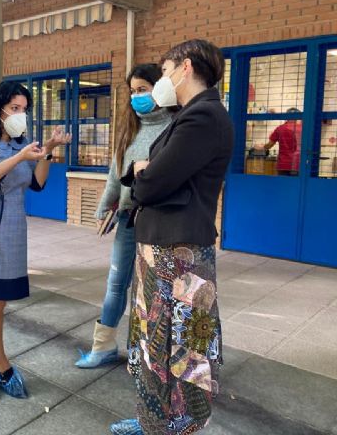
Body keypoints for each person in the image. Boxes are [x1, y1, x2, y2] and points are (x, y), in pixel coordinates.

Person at [113, 39, 234, 435]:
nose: (162, 79)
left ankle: (174, 426)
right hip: (165, 250)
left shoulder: (203, 118)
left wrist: (144, 172)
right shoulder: (191, 115)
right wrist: (144, 170)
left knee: (178, 349)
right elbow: (153, 175)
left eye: (164, 71)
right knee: (156, 341)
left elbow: (150, 185)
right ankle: (154, 420)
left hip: (177, 255)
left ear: (185, 68)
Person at [0, 81, 71, 402]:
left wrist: (48, 149)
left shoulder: (19, 142)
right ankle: (3, 368)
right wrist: (19, 157)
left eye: (24, 110)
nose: (20, 115)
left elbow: (36, 183)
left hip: (13, 230)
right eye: (15, 108)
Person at [75, 64, 173, 369]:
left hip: (159, 221)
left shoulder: (175, 126)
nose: (136, 97)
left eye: (142, 89)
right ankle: (102, 347)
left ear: (159, 88)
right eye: (132, 91)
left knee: (151, 291)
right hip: (129, 219)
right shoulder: (130, 127)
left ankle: (144, 355)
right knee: (116, 283)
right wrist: (105, 206)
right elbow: (115, 174)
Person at [261, 107, 301, 176]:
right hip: (297, 164)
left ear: (286, 116)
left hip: (283, 164)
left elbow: (270, 145)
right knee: (295, 185)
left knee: (283, 185)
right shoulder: (302, 128)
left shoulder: (280, 128)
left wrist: (262, 147)